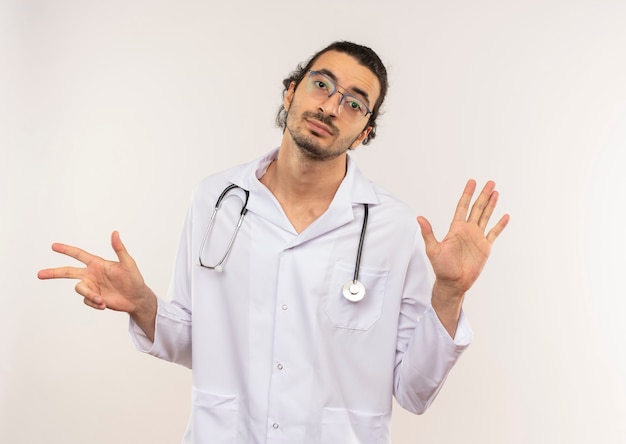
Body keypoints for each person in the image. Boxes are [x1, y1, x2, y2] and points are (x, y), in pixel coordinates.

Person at [38, 41, 509, 443]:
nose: (330, 106)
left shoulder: (393, 227)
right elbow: (198, 343)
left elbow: (414, 391)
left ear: (365, 133)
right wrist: (143, 304)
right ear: (291, 91)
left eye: (354, 102)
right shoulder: (215, 200)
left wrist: (449, 295)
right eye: (321, 84)